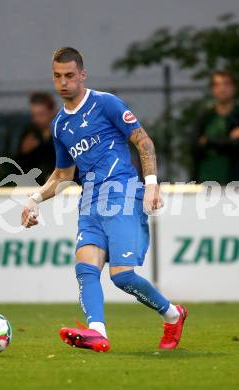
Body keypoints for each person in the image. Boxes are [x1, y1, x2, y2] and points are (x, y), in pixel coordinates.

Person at [21, 47, 187, 352]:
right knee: (85, 267)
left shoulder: (106, 103)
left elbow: (143, 140)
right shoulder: (59, 125)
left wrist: (151, 184)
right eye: (57, 76)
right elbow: (63, 175)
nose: (63, 82)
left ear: (82, 75)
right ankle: (98, 332)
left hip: (123, 193)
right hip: (90, 202)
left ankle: (173, 315)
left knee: (122, 277)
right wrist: (33, 200)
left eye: (70, 75)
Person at [193, 70, 239, 184]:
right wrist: (229, 140)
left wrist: (207, 141)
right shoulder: (205, 116)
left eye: (226, 84)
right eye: (217, 85)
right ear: (212, 89)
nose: (222, 89)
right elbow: (193, 146)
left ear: (234, 88)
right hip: (205, 182)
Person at [16, 92, 56, 183]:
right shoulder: (30, 132)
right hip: (34, 184)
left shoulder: (64, 130)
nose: (36, 119)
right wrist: (24, 152)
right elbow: (18, 165)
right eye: (34, 115)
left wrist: (41, 145)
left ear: (53, 111)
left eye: (41, 114)